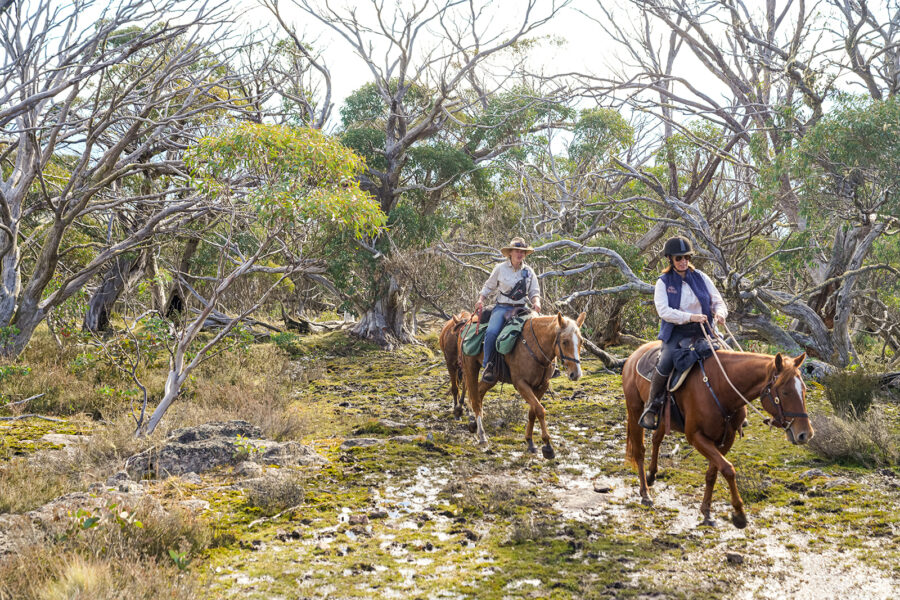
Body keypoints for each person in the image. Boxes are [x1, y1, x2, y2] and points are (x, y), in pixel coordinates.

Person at [639, 236, 728, 430]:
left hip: (705, 331)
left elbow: (718, 301)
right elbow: (664, 311)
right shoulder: (663, 282)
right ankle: (651, 407)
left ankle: (733, 407)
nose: (683, 261)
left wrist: (720, 313)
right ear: (670, 259)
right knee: (666, 360)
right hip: (677, 332)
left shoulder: (702, 278)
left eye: (686, 257)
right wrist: (690, 317)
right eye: (679, 258)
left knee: (727, 358)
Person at [474, 237, 542, 383]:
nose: (520, 254)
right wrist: (480, 299)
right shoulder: (500, 269)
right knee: (492, 332)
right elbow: (488, 286)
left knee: (540, 331)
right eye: (517, 251)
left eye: (523, 252)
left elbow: (534, 292)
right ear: (510, 253)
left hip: (522, 309)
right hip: (502, 308)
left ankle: (546, 367)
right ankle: (488, 366)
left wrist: (536, 302)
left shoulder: (529, 272)